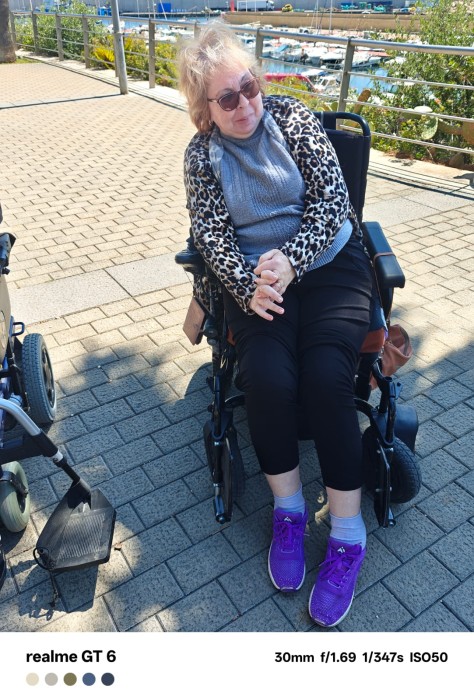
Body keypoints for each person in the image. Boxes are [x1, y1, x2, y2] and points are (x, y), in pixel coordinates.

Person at [177, 23, 374, 628]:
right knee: (265, 377)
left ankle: (348, 534)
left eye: (250, 86)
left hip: (328, 263)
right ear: (205, 110)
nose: (245, 104)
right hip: (257, 280)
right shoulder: (201, 156)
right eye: (227, 98)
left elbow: (334, 203)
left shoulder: (292, 117)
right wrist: (248, 285)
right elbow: (212, 237)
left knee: (326, 376)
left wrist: (291, 260)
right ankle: (288, 512)